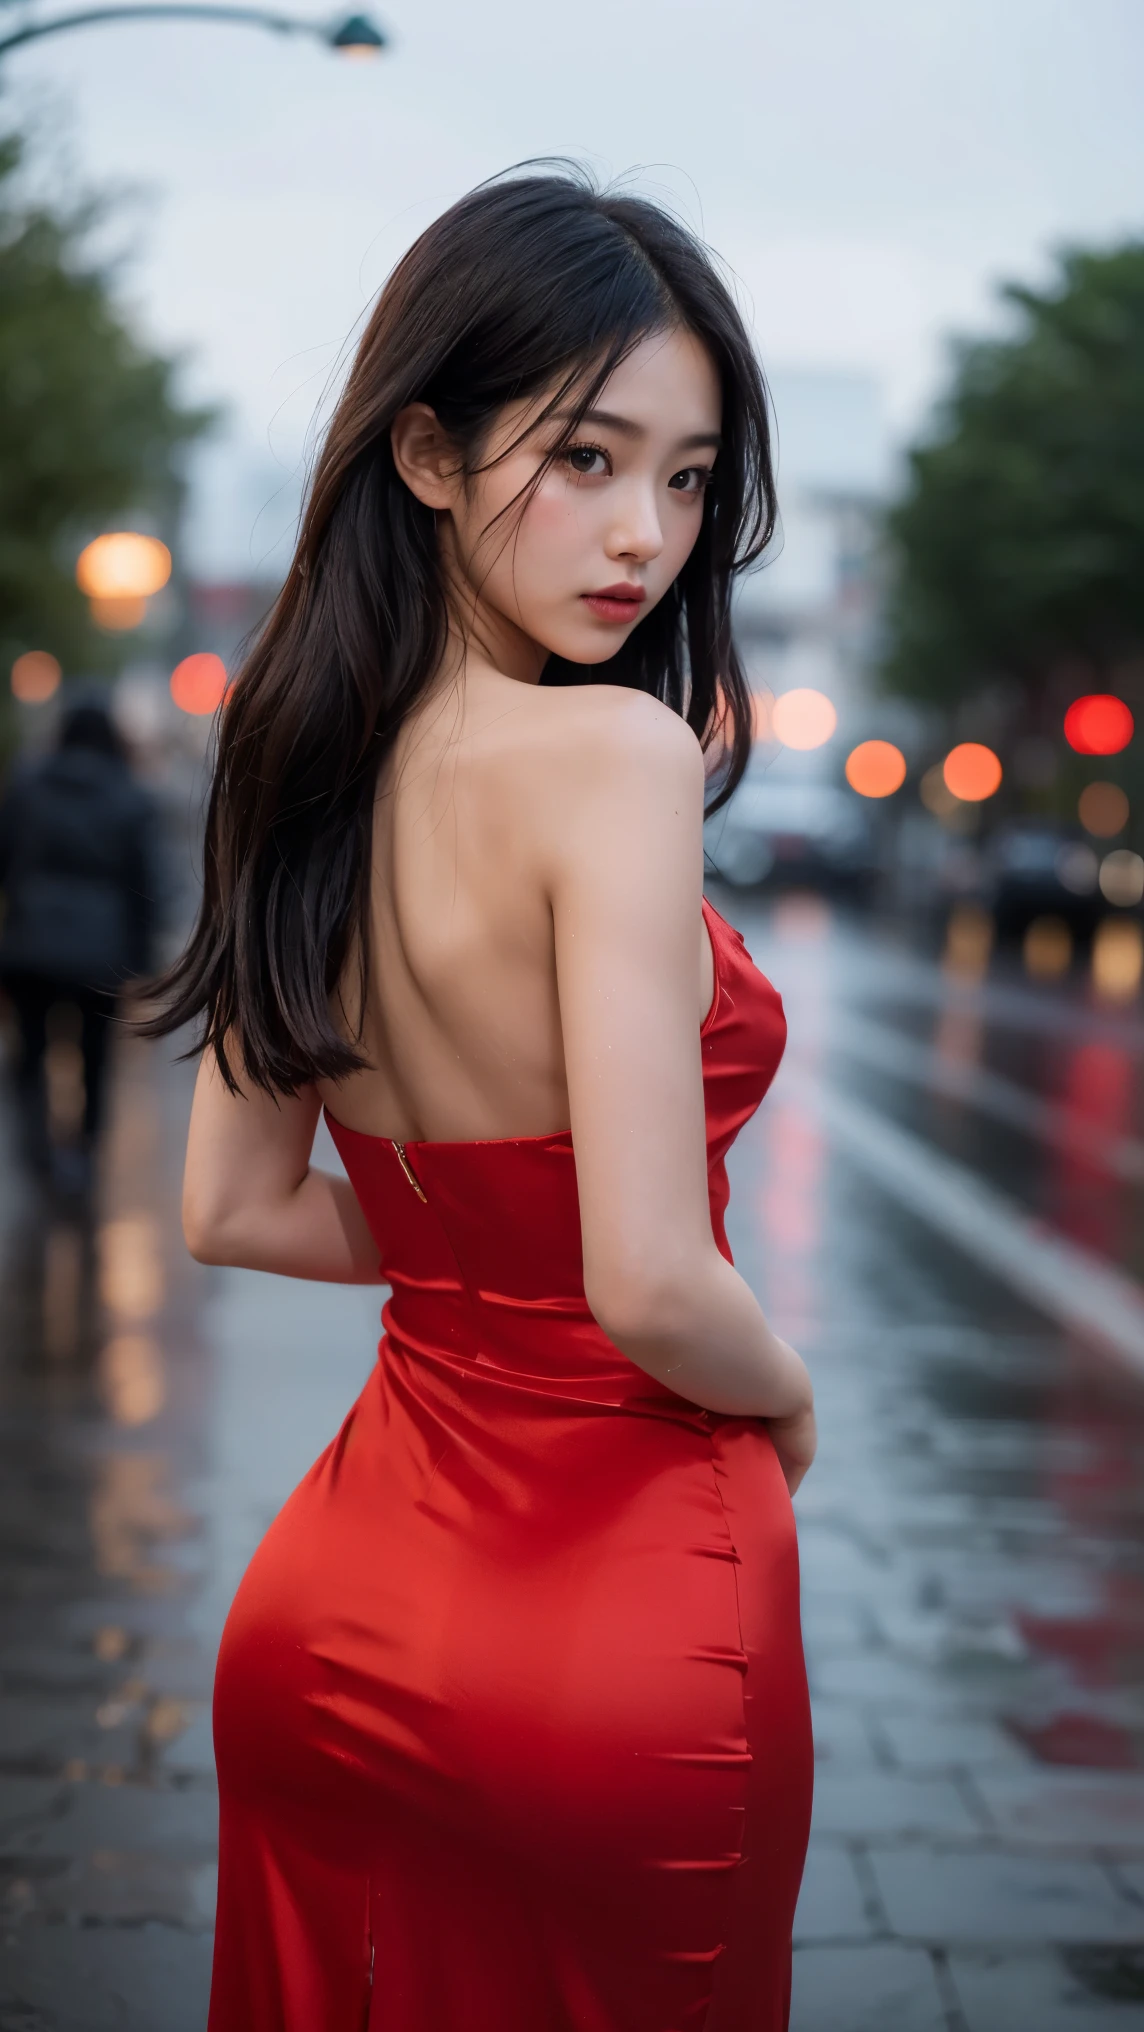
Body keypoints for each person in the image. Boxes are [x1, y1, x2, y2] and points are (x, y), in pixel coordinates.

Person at [147, 168, 816, 2031]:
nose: (646, 535)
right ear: (424, 450)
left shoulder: (294, 760)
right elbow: (650, 1286)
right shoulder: (609, 752)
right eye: (589, 458)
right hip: (615, 1615)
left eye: (687, 479)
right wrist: (788, 1394)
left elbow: (236, 1207)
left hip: (327, 1613)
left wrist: (477, 1255)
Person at [0, 698, 167, 1197]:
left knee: (31, 1050)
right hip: (102, 952)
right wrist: (142, 960)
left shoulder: (27, 785)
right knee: (96, 1057)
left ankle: (37, 1145)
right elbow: (146, 885)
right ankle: (86, 1152)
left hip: (29, 945)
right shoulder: (130, 795)